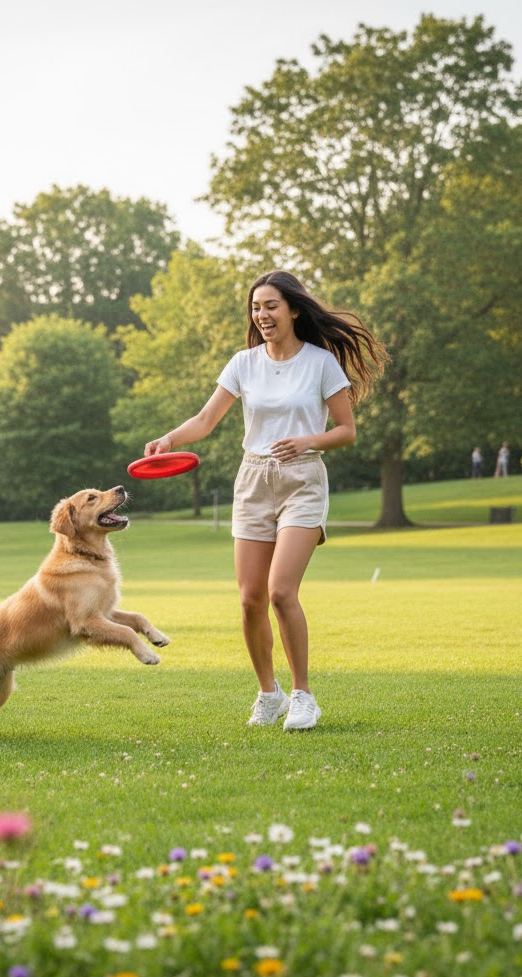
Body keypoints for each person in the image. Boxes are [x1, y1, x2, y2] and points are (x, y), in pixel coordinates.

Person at [143, 270, 386, 731]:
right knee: (250, 599)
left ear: (293, 309)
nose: (263, 314)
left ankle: (303, 696)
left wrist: (306, 441)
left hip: (302, 480)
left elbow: (346, 431)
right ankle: (268, 694)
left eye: (271, 305)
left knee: (279, 592)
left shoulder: (320, 364)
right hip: (252, 480)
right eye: (257, 307)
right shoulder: (244, 363)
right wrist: (168, 439)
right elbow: (206, 418)